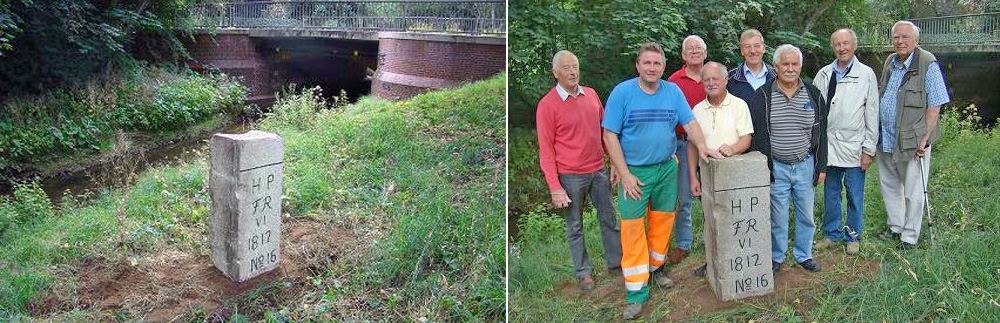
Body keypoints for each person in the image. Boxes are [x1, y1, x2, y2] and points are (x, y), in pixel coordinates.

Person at [603, 42, 721, 320]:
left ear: (664, 67)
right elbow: (610, 135)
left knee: (663, 222)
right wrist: (625, 174)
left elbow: (690, 124)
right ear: (638, 65)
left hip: (667, 168)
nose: (652, 68)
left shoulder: (672, 91)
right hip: (635, 172)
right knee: (633, 229)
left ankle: (656, 268)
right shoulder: (622, 93)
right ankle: (636, 292)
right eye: (647, 63)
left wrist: (702, 146)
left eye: (657, 63)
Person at [535, 50, 623, 291]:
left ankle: (616, 264)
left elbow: (605, 133)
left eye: (575, 66)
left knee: (609, 218)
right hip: (570, 176)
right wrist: (555, 187)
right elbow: (546, 151)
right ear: (555, 73)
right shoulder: (547, 105)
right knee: (575, 226)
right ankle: (584, 273)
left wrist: (615, 162)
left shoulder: (591, 95)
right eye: (566, 68)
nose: (573, 72)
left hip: (598, 170)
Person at [748, 44, 828, 274]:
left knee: (806, 216)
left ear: (800, 66)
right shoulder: (762, 95)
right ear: (776, 66)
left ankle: (804, 255)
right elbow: (756, 134)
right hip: (777, 167)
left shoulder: (813, 94)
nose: (790, 68)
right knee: (778, 217)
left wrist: (821, 166)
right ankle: (777, 257)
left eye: (795, 64)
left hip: (805, 165)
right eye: (785, 64)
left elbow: (823, 132)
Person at [877, 21, 950, 249]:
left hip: (912, 140)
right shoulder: (890, 61)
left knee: (913, 189)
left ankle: (909, 237)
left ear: (916, 40)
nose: (900, 41)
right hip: (886, 136)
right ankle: (895, 227)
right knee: (889, 184)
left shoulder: (927, 62)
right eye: (896, 37)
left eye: (905, 37)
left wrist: (924, 139)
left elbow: (935, 104)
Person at [812, 28, 880, 256]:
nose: (842, 48)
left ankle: (853, 236)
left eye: (846, 43)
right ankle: (832, 234)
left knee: (854, 195)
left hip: (854, 146)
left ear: (854, 45)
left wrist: (869, 149)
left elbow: (872, 112)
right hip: (828, 147)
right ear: (833, 47)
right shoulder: (823, 74)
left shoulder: (866, 74)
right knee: (831, 193)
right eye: (838, 44)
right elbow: (813, 109)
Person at [686, 61, 755, 276]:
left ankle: (736, 261)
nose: (711, 83)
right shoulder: (697, 110)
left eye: (715, 78)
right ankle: (712, 262)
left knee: (735, 219)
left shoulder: (739, 105)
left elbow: (746, 138)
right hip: (706, 174)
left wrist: (732, 149)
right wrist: (693, 176)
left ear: (725, 80)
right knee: (711, 220)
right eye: (706, 79)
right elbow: (692, 145)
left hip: (734, 174)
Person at [665, 35, 708, 265]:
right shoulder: (673, 81)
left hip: (711, 144)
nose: (694, 51)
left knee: (713, 194)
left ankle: (713, 238)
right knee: (684, 197)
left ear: (705, 53)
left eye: (698, 48)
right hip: (682, 144)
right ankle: (684, 243)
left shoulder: (714, 76)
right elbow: (666, 116)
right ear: (683, 54)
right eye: (689, 48)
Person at [728, 29, 776, 102]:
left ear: (764, 48)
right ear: (742, 51)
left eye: (757, 46)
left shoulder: (777, 77)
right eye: (747, 47)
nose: (753, 51)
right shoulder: (729, 79)